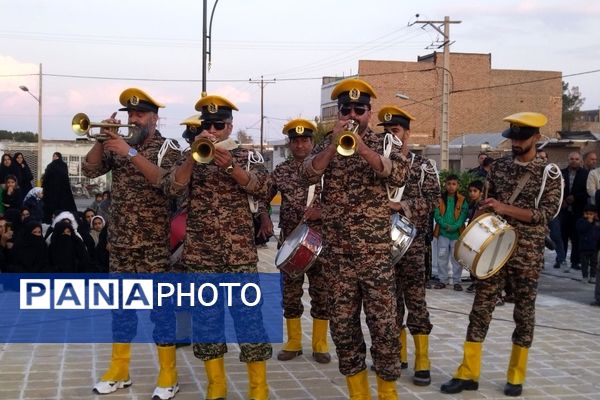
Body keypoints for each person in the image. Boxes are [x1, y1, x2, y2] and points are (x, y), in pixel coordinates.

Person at [298, 78, 409, 399]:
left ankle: (387, 394)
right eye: (346, 109)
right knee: (344, 331)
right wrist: (335, 144)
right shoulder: (328, 145)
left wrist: (360, 146)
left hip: (375, 258)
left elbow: (398, 174)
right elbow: (307, 173)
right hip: (338, 259)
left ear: (369, 113)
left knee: (385, 330)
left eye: (359, 110)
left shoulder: (387, 144)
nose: (352, 114)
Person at [440, 112, 562, 397]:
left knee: (524, 313)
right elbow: (486, 201)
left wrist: (506, 209)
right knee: (480, 309)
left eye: (522, 138)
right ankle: (468, 373)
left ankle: (516, 376)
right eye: (513, 138)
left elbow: (545, 215)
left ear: (537, 138)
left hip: (527, 252)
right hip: (495, 248)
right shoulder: (499, 168)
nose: (516, 143)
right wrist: (481, 215)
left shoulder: (549, 175)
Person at [165, 94, 272, 400]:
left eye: (219, 125)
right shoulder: (190, 158)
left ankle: (258, 390)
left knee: (250, 324)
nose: (212, 131)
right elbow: (170, 187)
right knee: (208, 325)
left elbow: (264, 189)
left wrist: (232, 169)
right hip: (201, 258)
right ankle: (216, 388)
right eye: (207, 125)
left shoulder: (249, 157)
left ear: (230, 126)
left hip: (239, 257)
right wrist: (191, 157)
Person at [82, 87, 182, 399]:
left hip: (153, 246)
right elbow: (90, 169)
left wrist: (130, 152)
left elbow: (169, 185)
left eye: (140, 114)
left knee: (160, 311)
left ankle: (169, 373)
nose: (134, 119)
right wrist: (103, 140)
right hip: (121, 243)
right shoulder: (117, 144)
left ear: (155, 117)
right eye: (130, 114)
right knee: (121, 309)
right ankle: (119, 368)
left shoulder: (169, 148)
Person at [377, 106, 440, 386]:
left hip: (412, 245)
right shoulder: (378, 164)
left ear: (407, 134)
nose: (392, 136)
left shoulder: (424, 166)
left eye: (397, 131)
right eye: (388, 132)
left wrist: (399, 206)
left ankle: (422, 360)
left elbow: (432, 202)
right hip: (380, 244)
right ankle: (397, 356)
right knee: (389, 304)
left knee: (415, 302)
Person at [261, 118, 330, 364]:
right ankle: (293, 342)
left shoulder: (327, 169)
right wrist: (264, 218)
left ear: (313, 142)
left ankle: (320, 344)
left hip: (322, 245)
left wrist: (322, 212)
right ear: (290, 145)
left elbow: (344, 202)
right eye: (296, 141)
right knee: (290, 294)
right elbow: (262, 197)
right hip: (290, 243)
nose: (300, 145)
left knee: (322, 294)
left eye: (305, 140)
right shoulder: (282, 171)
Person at [433, 174, 468, 291]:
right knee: (442, 257)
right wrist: (444, 225)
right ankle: (442, 280)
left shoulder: (462, 200)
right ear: (445, 185)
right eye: (449, 184)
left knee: (456, 258)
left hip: (457, 234)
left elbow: (463, 215)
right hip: (443, 233)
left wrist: (455, 226)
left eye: (454, 184)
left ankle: (457, 281)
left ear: (458, 185)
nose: (451, 187)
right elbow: (436, 215)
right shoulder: (440, 199)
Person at [559, 151, 588, 272]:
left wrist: (575, 198)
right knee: (562, 236)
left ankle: (575, 261)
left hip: (578, 210)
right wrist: (562, 201)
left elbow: (587, 191)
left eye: (576, 159)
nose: (574, 161)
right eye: (572, 159)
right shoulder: (561, 173)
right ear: (568, 159)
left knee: (576, 238)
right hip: (564, 210)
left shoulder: (585, 174)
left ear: (580, 161)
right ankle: (561, 259)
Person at [42, 152, 77, 223]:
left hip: (52, 191)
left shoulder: (51, 165)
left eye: (55, 156)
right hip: (63, 191)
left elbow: (46, 178)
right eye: (53, 156)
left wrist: (44, 187)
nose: (53, 158)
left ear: (58, 157)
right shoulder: (63, 165)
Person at [464, 180, 484, 293]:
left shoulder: (482, 205)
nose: (472, 193)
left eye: (475, 191)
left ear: (481, 192)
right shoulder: (473, 203)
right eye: (470, 191)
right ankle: (475, 282)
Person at [575, 204, 599, 283]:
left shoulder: (597, 223)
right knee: (584, 263)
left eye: (592, 214)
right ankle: (585, 276)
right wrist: (588, 222)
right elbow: (580, 229)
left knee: (594, 263)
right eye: (588, 214)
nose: (590, 216)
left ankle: (593, 276)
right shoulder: (581, 221)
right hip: (584, 246)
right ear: (584, 214)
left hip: (594, 247)